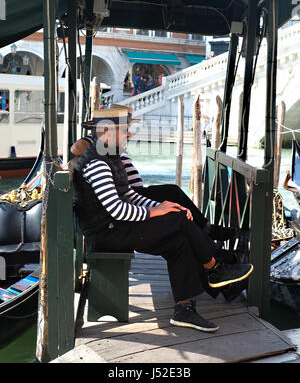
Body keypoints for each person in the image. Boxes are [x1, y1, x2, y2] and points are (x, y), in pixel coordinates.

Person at [72, 108, 254, 333]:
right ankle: (215, 267)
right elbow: (116, 209)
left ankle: (184, 309)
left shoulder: (109, 155)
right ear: (107, 132)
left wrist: (160, 207)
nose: (129, 135)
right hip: (107, 232)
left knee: (178, 241)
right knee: (178, 220)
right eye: (125, 130)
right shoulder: (97, 163)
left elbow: (128, 195)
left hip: (114, 227)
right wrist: (154, 213)